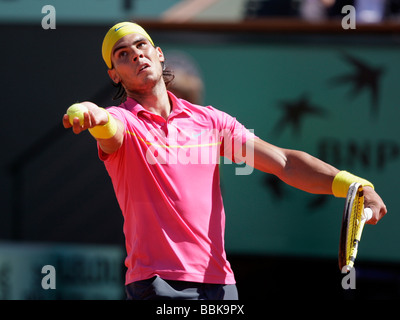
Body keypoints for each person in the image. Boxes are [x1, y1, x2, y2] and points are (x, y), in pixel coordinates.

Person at [62, 22, 387, 300]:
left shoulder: (210, 122)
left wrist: (353, 184)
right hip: (159, 284)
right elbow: (109, 128)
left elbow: (284, 163)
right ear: (114, 75)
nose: (135, 54)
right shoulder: (126, 123)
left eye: (141, 44)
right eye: (122, 54)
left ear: (158, 53)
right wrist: (93, 114)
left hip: (219, 284)